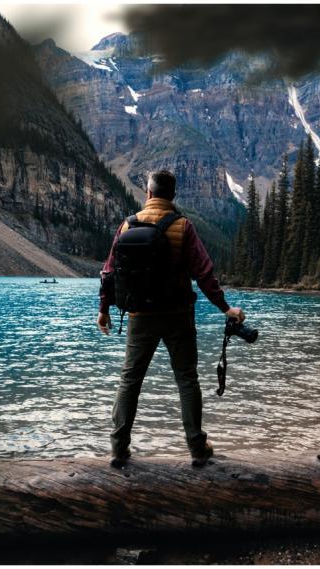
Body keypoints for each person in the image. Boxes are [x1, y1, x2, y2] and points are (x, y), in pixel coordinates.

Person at [97, 170, 245, 468]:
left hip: (139, 317)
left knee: (130, 380)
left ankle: (118, 449)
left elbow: (109, 272)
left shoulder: (128, 225)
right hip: (178, 316)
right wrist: (225, 308)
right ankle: (197, 449)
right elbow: (204, 273)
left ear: (149, 194)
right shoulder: (183, 227)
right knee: (187, 380)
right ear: (172, 196)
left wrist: (103, 311)